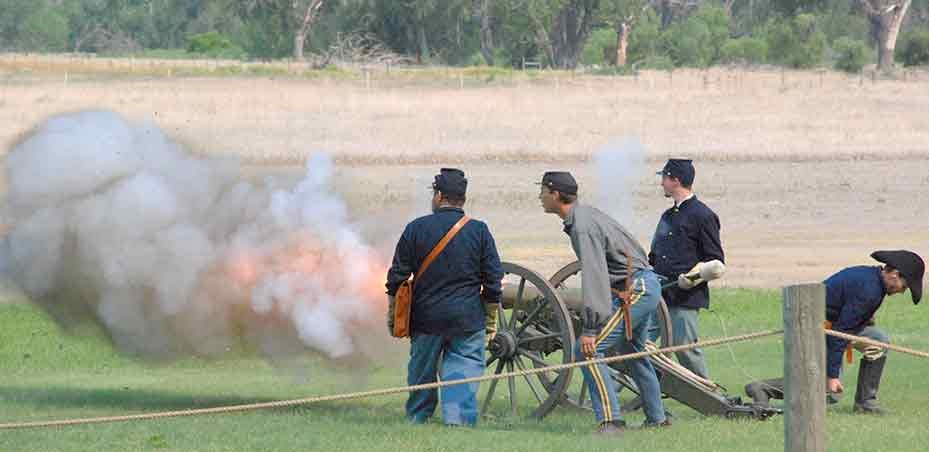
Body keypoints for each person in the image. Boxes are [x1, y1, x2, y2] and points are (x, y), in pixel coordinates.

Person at [538, 171, 668, 435]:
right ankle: (657, 419)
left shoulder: (582, 225)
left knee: (587, 350)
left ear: (555, 194)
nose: (539, 197)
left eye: (542, 191)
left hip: (635, 289)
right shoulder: (586, 215)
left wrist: (589, 329)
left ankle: (611, 421)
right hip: (642, 285)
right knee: (635, 353)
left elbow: (595, 276)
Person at [385, 168, 503, 426]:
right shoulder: (479, 231)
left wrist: (393, 313)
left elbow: (396, 278)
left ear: (438, 196)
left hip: (426, 319)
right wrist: (490, 317)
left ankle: (418, 417)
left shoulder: (416, 228)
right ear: (463, 198)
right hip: (467, 319)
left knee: (421, 373)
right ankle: (458, 421)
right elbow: (494, 280)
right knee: (463, 371)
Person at [744, 250, 924, 414]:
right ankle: (763, 388)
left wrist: (863, 319)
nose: (902, 292)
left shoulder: (871, 278)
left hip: (829, 327)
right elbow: (840, 333)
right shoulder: (870, 290)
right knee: (830, 393)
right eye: (904, 286)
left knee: (878, 340)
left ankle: (865, 402)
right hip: (814, 328)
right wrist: (832, 377)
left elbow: (847, 315)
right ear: (894, 274)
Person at [649, 158, 724, 379]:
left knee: (685, 349)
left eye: (664, 178)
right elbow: (655, 255)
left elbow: (716, 261)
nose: (661, 183)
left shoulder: (703, 215)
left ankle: (707, 393)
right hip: (659, 294)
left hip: (685, 296)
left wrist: (691, 278)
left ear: (676, 180)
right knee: (636, 342)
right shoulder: (668, 215)